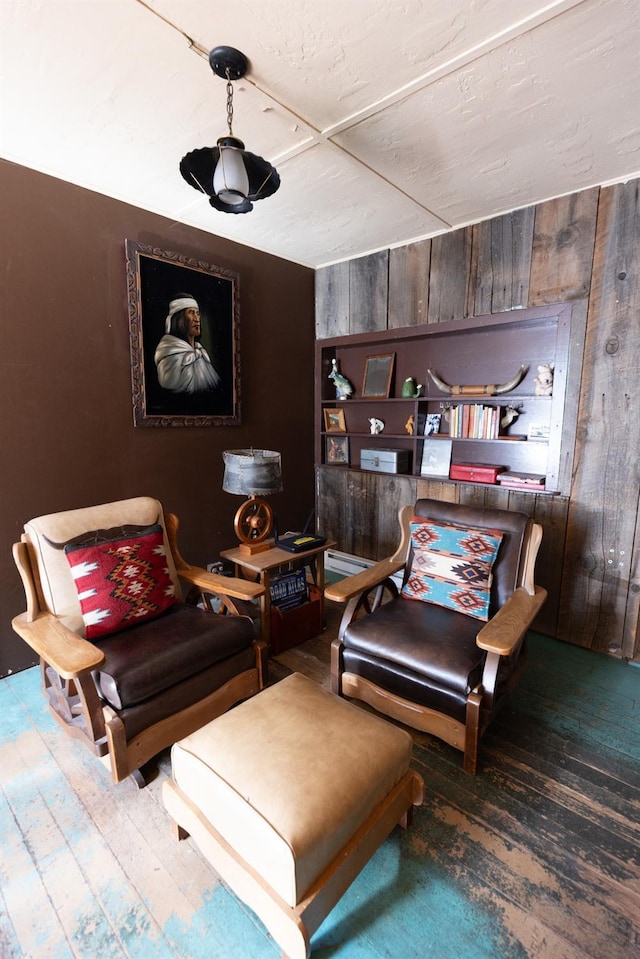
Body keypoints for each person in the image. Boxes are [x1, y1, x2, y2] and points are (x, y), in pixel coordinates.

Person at [154, 294, 221, 394]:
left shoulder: (201, 354)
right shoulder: (169, 357)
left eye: (198, 313)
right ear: (180, 318)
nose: (197, 319)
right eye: (191, 313)